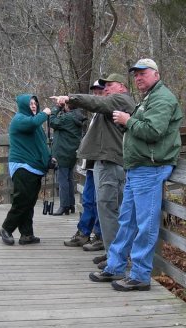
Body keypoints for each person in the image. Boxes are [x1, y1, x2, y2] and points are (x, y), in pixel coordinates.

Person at [89, 58, 183, 291]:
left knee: (145, 224)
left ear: (156, 74)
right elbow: (141, 127)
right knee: (126, 220)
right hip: (137, 167)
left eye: (143, 73)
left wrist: (128, 121)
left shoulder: (162, 98)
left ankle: (140, 275)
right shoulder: (147, 99)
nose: (139, 77)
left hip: (150, 168)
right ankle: (115, 266)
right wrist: (128, 123)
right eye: (136, 74)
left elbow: (153, 131)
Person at [51, 74, 136, 267]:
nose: (105, 89)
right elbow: (96, 104)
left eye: (109, 85)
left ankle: (117, 257)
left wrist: (70, 98)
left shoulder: (120, 99)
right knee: (106, 209)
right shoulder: (113, 102)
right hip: (105, 162)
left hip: (111, 163)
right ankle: (112, 252)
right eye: (103, 86)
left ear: (122, 87)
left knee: (109, 210)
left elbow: (95, 102)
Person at [0, 94, 53, 245]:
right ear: (23, 105)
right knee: (22, 201)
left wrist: (48, 159)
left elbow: (41, 145)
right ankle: (6, 229)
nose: (34, 105)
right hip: (23, 166)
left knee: (29, 202)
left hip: (33, 168)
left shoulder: (35, 126)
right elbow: (33, 122)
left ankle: (26, 234)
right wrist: (45, 113)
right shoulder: (20, 119)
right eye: (30, 104)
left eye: (35, 103)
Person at [64, 80, 104, 250]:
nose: (96, 94)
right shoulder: (95, 114)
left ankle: (100, 236)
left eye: (99, 91)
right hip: (90, 164)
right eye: (94, 91)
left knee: (100, 202)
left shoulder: (107, 111)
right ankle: (84, 233)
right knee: (88, 200)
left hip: (102, 164)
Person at [49, 103, 86, 215]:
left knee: (62, 180)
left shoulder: (68, 117)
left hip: (63, 152)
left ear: (67, 106)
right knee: (68, 179)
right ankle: (70, 205)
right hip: (71, 152)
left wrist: (56, 107)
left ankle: (64, 206)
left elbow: (53, 122)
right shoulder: (76, 116)